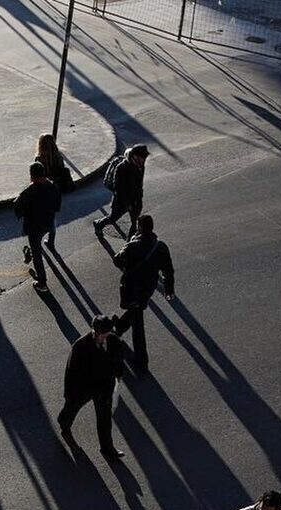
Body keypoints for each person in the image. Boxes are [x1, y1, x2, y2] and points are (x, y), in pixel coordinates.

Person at [109, 214, 175, 376]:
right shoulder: (160, 247)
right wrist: (169, 290)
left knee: (138, 324)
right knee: (136, 311)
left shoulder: (133, 245)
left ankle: (141, 362)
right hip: (148, 288)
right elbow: (168, 271)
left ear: (139, 227)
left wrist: (130, 245)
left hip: (132, 286)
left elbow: (117, 260)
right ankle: (119, 326)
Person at [58, 315, 125, 459]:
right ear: (95, 331)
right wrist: (69, 393)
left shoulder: (113, 341)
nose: (104, 338)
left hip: (105, 387)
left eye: (106, 334)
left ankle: (107, 448)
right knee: (73, 406)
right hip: (84, 387)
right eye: (102, 335)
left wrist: (119, 373)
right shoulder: (80, 346)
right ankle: (64, 422)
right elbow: (71, 371)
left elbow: (118, 358)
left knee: (104, 418)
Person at [13, 162, 61, 293]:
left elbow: (17, 209)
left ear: (31, 176)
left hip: (34, 226)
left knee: (37, 252)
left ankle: (42, 282)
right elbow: (57, 206)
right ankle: (42, 248)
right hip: (48, 222)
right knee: (39, 243)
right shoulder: (52, 187)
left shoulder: (28, 192)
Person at [94, 144, 148, 240]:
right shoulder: (122, 168)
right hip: (122, 201)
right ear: (135, 156)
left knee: (134, 220)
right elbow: (119, 189)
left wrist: (139, 195)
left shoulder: (141, 166)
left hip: (136, 199)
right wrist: (127, 203)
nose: (144, 159)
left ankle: (130, 240)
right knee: (113, 218)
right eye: (142, 157)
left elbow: (139, 182)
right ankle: (99, 224)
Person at [34, 133, 71, 251]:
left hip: (43, 193)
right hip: (56, 192)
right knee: (52, 217)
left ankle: (37, 241)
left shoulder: (39, 159)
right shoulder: (58, 156)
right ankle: (51, 242)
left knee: (40, 218)